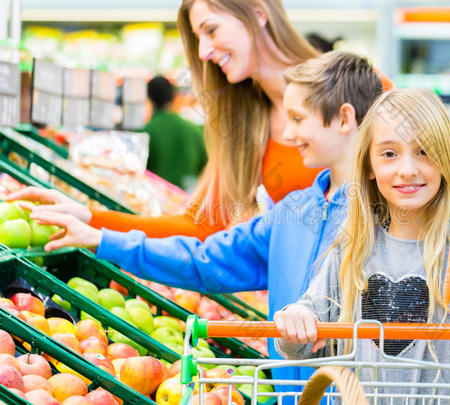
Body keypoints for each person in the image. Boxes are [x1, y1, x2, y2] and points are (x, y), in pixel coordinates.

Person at [28, 51, 384, 396]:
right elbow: (204, 259)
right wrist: (103, 239)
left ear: (344, 118)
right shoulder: (292, 212)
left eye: (297, 119)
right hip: (290, 395)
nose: (288, 135)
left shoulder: (386, 214)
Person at [273, 88, 450, 402]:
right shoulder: (352, 251)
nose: (407, 169)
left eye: (424, 151)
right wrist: (295, 320)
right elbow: (299, 347)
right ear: (370, 168)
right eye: (389, 154)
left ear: (445, 159)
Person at [8, 0, 323, 239]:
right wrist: (89, 218)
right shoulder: (246, 123)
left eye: (211, 30)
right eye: (198, 38)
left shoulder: (353, 93)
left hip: (355, 319)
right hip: (290, 318)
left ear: (257, 12)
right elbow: (199, 227)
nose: (203, 52)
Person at [144, 75, 207, 191]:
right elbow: (206, 165)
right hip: (187, 199)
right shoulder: (193, 129)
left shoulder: (146, 132)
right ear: (173, 96)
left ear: (149, 98)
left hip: (155, 199)